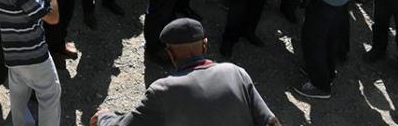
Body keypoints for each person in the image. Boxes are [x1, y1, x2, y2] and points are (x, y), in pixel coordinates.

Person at [91, 18, 279, 126]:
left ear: (170, 54)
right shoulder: (236, 73)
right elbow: (271, 122)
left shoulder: (163, 90)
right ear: (205, 46)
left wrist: (103, 117)